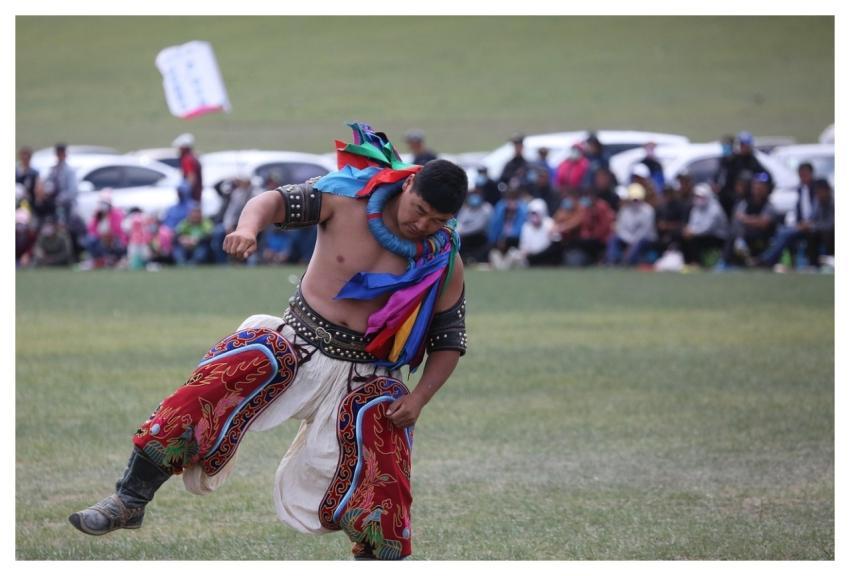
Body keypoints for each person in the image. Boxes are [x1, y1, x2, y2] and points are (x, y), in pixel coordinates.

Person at [69, 123, 469, 561]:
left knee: (387, 455)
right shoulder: (346, 197)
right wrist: (247, 228)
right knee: (228, 372)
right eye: (421, 209)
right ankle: (129, 500)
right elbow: (273, 201)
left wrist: (421, 399)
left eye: (439, 220)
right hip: (297, 339)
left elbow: (449, 339)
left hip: (370, 371)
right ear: (409, 183)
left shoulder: (443, 259)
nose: (423, 224)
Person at [758, 178, 834, 270]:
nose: (818, 195)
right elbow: (813, 217)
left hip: (824, 233)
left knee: (788, 234)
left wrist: (811, 226)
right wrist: (805, 224)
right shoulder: (818, 201)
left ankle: (767, 259)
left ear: (826, 190)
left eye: (820, 192)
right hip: (811, 229)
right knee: (784, 232)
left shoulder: (833, 203)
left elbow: (830, 225)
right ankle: (768, 259)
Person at [605, 182, 656, 266]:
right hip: (627, 239)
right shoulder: (624, 210)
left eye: (637, 200)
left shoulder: (648, 211)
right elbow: (620, 228)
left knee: (639, 243)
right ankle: (611, 261)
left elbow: (644, 232)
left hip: (644, 240)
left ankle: (626, 262)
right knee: (613, 238)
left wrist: (633, 242)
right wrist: (629, 240)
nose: (635, 202)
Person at [681, 184, 728, 267]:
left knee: (695, 239)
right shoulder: (696, 208)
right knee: (682, 237)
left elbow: (708, 228)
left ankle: (698, 263)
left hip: (717, 237)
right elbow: (692, 223)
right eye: (697, 196)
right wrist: (688, 230)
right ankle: (688, 262)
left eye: (701, 196)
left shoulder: (715, 209)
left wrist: (692, 232)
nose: (698, 199)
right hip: (702, 235)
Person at [173, 133, 204, 202]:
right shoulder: (193, 158)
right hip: (197, 193)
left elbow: (191, 176)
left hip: (192, 195)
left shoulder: (187, 160)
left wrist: (186, 192)